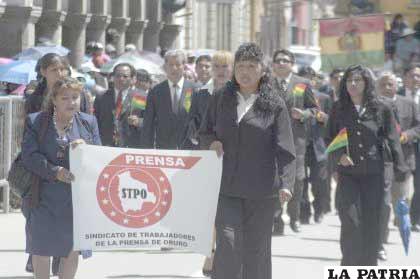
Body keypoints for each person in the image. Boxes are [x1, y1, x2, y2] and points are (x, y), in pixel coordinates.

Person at [200, 42, 296, 279]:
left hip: (262, 192)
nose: (245, 71)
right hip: (226, 188)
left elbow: (286, 149)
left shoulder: (275, 104)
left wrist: (286, 183)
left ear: (262, 70)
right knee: (229, 244)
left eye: (251, 66)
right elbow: (204, 131)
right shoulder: (221, 97)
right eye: (240, 66)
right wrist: (211, 142)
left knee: (257, 251)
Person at [326, 65, 408, 266]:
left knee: (372, 223)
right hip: (348, 176)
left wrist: (400, 168)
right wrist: (339, 156)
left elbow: (392, 139)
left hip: (374, 174)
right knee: (351, 222)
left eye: (358, 80)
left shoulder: (381, 107)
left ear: (367, 83)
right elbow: (328, 138)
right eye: (349, 81)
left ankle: (369, 266)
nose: (353, 85)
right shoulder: (338, 108)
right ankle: (349, 266)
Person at [21, 77, 101, 278]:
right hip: (41, 195)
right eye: (65, 98)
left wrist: (86, 149)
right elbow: (29, 156)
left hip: (74, 199)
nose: (71, 102)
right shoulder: (36, 121)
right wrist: (55, 171)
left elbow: (100, 157)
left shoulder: (89, 122)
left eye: (75, 97)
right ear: (54, 99)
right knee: (40, 248)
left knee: (70, 248)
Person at [271, 49, 318, 234]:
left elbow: (314, 109)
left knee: (297, 180)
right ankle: (277, 220)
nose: (281, 63)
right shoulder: (266, 83)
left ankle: (294, 216)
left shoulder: (302, 83)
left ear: (292, 64)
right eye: (278, 60)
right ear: (274, 64)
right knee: (275, 180)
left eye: (285, 60)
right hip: (273, 141)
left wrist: (304, 114)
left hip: (296, 140)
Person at [376, 71, 420, 261]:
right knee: (384, 204)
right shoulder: (373, 105)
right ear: (377, 87)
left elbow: (418, 126)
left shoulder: (409, 104)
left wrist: (407, 135)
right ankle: (380, 243)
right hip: (382, 163)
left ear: (397, 85)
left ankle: (402, 226)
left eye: (391, 84)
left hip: (404, 161)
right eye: (384, 84)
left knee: (402, 202)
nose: (387, 87)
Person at [140, 50, 199, 149]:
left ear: (184, 66)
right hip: (163, 149)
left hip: (189, 149)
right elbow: (148, 124)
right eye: (170, 65)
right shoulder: (156, 91)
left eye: (177, 64)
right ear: (165, 66)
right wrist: (147, 149)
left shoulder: (194, 90)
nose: (174, 68)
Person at [297, 66, 332, 224]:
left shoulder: (324, 98)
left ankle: (319, 209)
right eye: (303, 78)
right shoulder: (296, 97)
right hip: (300, 144)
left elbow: (333, 121)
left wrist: (324, 118)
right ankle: (304, 213)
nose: (307, 82)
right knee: (301, 181)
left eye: (310, 78)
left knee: (319, 180)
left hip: (319, 145)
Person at [94, 63, 143, 148]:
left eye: (125, 76)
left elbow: (148, 121)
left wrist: (138, 121)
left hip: (130, 145)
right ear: (113, 77)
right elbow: (95, 120)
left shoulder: (139, 97)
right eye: (118, 76)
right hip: (106, 145)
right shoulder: (102, 97)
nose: (121, 79)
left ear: (131, 78)